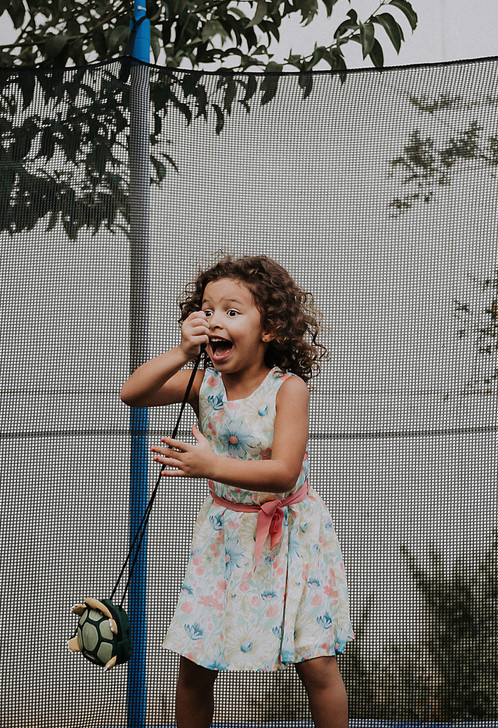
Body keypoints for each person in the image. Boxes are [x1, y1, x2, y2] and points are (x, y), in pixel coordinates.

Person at [120, 255, 353, 728]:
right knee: (195, 660)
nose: (214, 320)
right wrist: (182, 353)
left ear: (269, 329)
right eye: (207, 310)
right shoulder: (202, 383)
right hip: (224, 537)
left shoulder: (287, 389)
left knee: (316, 662)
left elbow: (285, 472)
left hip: (289, 536)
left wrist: (211, 464)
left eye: (231, 311)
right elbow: (133, 394)